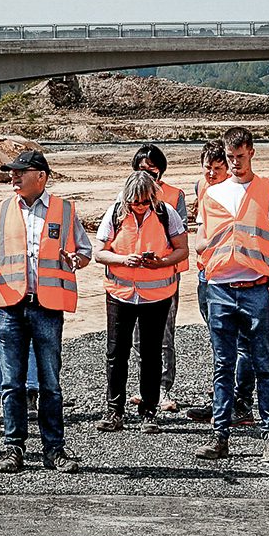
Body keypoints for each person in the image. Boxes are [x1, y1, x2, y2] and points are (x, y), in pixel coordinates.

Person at [0, 149, 90, 473]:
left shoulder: (64, 210)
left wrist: (77, 260)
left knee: (50, 383)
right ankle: (14, 449)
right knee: (12, 383)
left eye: (20, 171)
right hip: (10, 306)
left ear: (41, 176)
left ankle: (54, 450)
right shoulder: (1, 210)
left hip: (47, 307)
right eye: (11, 171)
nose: (13, 176)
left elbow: (85, 250)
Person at [195, 126, 269, 465]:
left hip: (256, 291)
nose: (235, 163)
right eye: (230, 157)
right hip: (220, 289)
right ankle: (220, 437)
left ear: (251, 152)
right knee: (222, 366)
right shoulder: (212, 195)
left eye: (240, 156)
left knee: (264, 365)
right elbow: (202, 241)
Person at [93, 166, 185, 431]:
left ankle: (148, 411)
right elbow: (99, 252)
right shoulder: (115, 213)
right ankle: (114, 412)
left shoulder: (166, 213)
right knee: (116, 353)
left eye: (145, 202)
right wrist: (124, 259)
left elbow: (182, 249)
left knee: (151, 354)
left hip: (156, 296)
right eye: (135, 202)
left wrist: (161, 263)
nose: (141, 206)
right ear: (127, 198)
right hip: (120, 294)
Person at [174, 137, 231, 422]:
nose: (211, 174)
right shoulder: (201, 185)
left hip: (229, 274)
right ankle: (223, 397)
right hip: (205, 270)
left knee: (234, 341)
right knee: (216, 337)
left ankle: (235, 401)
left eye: (217, 168)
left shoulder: (236, 191)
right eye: (207, 168)